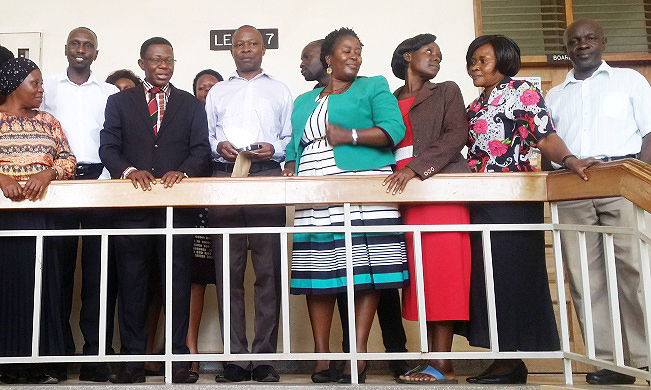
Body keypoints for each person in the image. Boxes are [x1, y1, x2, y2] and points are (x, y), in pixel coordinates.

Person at [463, 34, 599, 384]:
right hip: (480, 201)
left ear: (504, 61)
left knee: (511, 278)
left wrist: (568, 159)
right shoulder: (478, 103)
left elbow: (544, 135)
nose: (475, 66)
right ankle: (504, 357)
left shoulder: (521, 91)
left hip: (513, 200)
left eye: (483, 59)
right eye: (472, 60)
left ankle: (512, 359)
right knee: (487, 280)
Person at [282, 27, 409, 384]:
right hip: (315, 192)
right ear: (328, 59)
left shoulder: (373, 86)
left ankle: (357, 355)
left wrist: (349, 136)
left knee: (365, 273)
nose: (354, 56)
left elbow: (393, 130)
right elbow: (295, 144)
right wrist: (291, 164)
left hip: (364, 188)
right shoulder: (304, 101)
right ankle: (322, 358)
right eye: (346, 51)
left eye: (358, 51)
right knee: (318, 273)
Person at [99, 36, 211, 384]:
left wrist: (185, 170)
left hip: (177, 208)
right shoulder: (119, 101)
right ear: (143, 62)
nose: (163, 66)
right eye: (156, 60)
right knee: (132, 284)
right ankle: (133, 362)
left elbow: (201, 150)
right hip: (132, 207)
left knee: (176, 284)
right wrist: (130, 171)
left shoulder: (191, 104)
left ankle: (176, 362)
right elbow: (108, 145)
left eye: (169, 60)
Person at [546, 19, 651, 385]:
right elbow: (549, 148)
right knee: (585, 278)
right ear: (567, 48)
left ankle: (644, 356)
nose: (582, 44)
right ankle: (606, 362)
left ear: (602, 41)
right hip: (573, 187)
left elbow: (649, 133)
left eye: (590, 37)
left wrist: (643, 180)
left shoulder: (630, 81)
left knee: (633, 271)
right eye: (575, 40)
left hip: (622, 180)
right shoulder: (555, 95)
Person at [383, 33, 470, 384]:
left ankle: (443, 364)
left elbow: (455, 135)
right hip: (406, 199)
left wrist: (415, 169)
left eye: (439, 53)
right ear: (407, 56)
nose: (436, 57)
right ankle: (433, 360)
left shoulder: (446, 90)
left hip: (441, 192)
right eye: (428, 51)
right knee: (422, 280)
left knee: (444, 275)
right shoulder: (390, 99)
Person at [205, 25, 290, 383]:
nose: (246, 49)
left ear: (263, 48)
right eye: (239, 44)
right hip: (225, 178)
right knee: (228, 271)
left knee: (269, 271)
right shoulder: (218, 92)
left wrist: (275, 149)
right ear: (231, 50)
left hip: (266, 175)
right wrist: (219, 147)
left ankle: (265, 359)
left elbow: (287, 136)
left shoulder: (280, 89)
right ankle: (234, 359)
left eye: (253, 43)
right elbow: (209, 134)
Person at [40, 27, 119, 382]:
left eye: (89, 45)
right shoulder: (47, 88)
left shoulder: (110, 92)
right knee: (56, 273)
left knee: (99, 275)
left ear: (96, 53)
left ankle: (95, 355)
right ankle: (56, 356)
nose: (82, 50)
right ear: (66, 49)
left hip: (100, 185)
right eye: (76, 43)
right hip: (59, 187)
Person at [0, 54, 76, 384]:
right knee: (10, 287)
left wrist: (48, 173)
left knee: (46, 288)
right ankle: (9, 363)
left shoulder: (49, 122)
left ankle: (45, 363)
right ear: (14, 85)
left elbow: (69, 161)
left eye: (43, 82)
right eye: (35, 82)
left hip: (47, 216)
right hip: (6, 222)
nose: (42, 89)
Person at [187, 68, 222, 375]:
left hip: (212, 210)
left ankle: (191, 350)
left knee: (198, 279)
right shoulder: (184, 116)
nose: (207, 93)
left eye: (213, 87)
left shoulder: (228, 120)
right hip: (184, 205)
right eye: (202, 88)